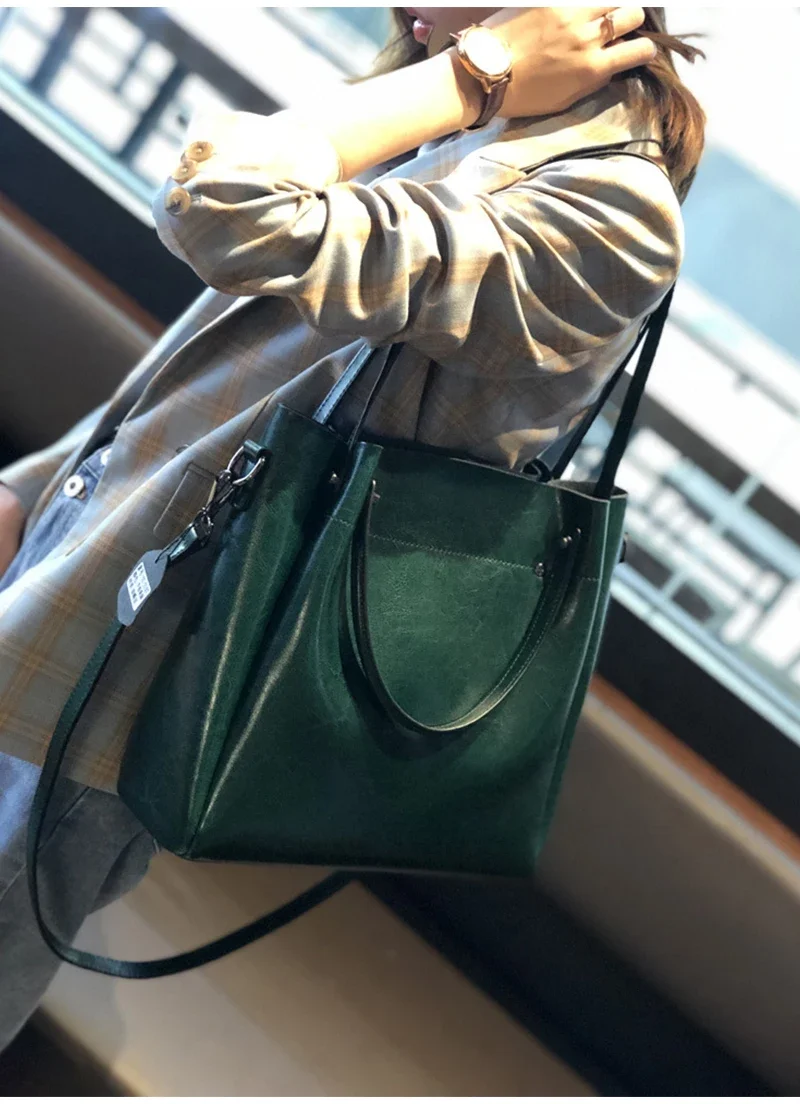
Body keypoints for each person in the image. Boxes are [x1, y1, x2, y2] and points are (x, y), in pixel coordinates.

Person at [0, 7, 705, 1049]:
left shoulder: (607, 212)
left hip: (127, 679)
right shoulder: (462, 122)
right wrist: (36, 487)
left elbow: (216, 205)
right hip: (68, 580)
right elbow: (235, 378)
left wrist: (471, 74)